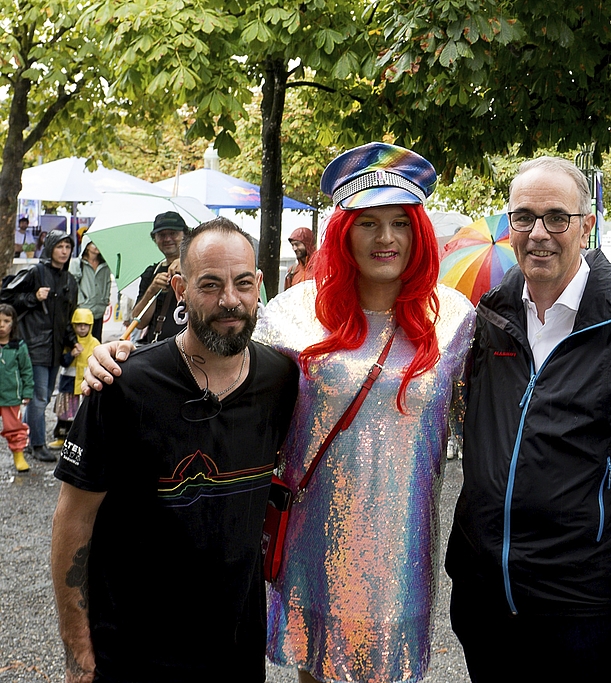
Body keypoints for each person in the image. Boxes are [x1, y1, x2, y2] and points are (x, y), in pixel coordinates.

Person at [82, 142, 476, 683]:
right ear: (343, 232)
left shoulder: (455, 318)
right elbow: (219, 358)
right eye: (367, 223)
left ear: (419, 232)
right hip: (312, 550)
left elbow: (487, 419)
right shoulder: (293, 314)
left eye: (400, 223)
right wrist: (121, 357)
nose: (386, 239)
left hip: (404, 558)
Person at [446, 156, 611, 682]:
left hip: (583, 602)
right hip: (485, 595)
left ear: (587, 226)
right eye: (524, 217)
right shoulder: (488, 318)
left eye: (557, 217)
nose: (539, 234)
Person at [51, 218, 299, 683]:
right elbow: (73, 518)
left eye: (243, 283)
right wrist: (77, 650)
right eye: (211, 284)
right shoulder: (123, 386)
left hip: (237, 653)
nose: (230, 300)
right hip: (133, 654)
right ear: (181, 287)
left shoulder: (282, 380)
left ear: (259, 285)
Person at [0, 230, 78, 463]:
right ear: (50, 247)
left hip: (55, 349)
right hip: (34, 346)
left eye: (68, 247)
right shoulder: (36, 272)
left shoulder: (69, 280)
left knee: (42, 396)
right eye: (60, 246)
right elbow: (6, 296)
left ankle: (30, 438)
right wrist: (33, 297)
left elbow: (66, 316)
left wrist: (72, 342)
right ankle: (36, 444)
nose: (64, 252)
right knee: (39, 398)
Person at [46, 309, 101, 454]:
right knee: (64, 412)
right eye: (78, 325)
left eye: (85, 325)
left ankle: (79, 439)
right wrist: (71, 355)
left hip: (84, 384)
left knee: (81, 414)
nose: (82, 328)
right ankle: (61, 437)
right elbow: (62, 362)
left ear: (90, 325)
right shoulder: (70, 342)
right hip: (68, 383)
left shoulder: (95, 342)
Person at [133, 211, 188, 344]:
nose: (167, 239)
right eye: (162, 235)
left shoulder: (199, 267)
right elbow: (138, 322)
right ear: (155, 239)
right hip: (156, 348)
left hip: (190, 350)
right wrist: (152, 290)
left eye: (173, 233)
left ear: (185, 235)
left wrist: (186, 264)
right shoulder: (152, 272)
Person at [0, 304, 33, 473]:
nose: (2, 325)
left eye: (6, 321)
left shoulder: (19, 345)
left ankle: (18, 454)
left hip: (11, 396)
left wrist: (27, 392)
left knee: (14, 427)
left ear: (12, 323)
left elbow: (26, 370)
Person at [69, 240, 112, 342]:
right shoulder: (77, 263)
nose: (97, 246)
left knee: (96, 341)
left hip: (99, 309)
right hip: (83, 309)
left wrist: (105, 299)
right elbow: (73, 284)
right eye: (93, 243)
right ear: (86, 246)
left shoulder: (105, 264)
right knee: (82, 340)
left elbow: (107, 282)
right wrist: (81, 301)